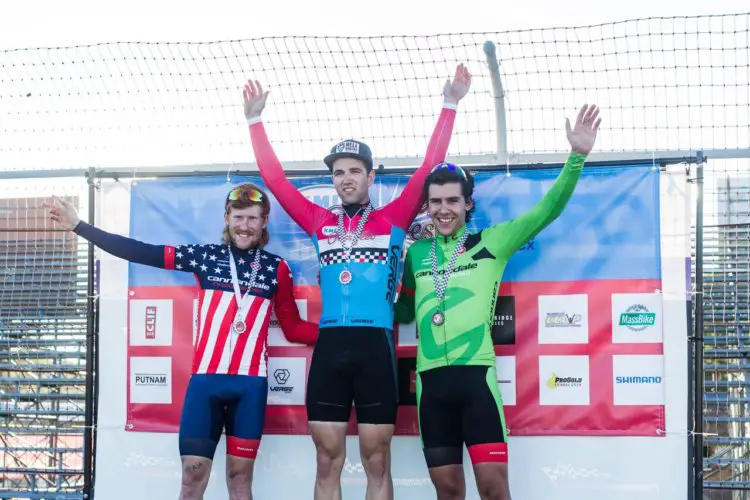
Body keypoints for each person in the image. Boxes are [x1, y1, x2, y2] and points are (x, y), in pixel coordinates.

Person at [241, 64, 472, 500]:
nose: (345, 179)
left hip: (375, 349)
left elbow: (428, 168)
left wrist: (450, 104)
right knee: (327, 459)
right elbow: (275, 181)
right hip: (330, 349)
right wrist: (255, 120)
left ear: (370, 176)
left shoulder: (394, 217)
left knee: (376, 461)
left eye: (354, 171)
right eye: (338, 173)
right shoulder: (318, 220)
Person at [44, 183, 318, 500]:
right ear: (227, 217)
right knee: (192, 478)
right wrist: (79, 225)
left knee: (240, 479)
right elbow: (140, 251)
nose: (245, 226)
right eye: (239, 217)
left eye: (253, 219)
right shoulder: (205, 257)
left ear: (264, 222)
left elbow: (294, 328)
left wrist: (344, 336)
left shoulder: (277, 268)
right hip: (205, 384)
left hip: (251, 385)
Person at [394, 104, 602, 500]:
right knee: (448, 490)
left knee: (493, 489)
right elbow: (404, 310)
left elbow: (546, 211)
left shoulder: (491, 242)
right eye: (435, 202)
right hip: (430, 383)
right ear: (427, 207)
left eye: (452, 201)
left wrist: (576, 157)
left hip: (477, 381)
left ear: (467, 204)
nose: (443, 209)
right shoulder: (416, 255)